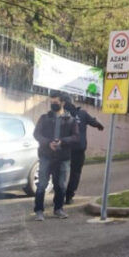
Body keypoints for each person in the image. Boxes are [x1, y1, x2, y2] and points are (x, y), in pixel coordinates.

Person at [32, 91, 79, 221]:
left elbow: (76, 137)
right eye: (51, 102)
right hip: (46, 156)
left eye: (56, 102)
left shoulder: (71, 120)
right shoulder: (44, 118)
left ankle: (58, 209)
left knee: (61, 185)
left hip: (63, 157)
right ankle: (39, 211)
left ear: (63, 102)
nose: (53, 104)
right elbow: (36, 134)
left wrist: (62, 141)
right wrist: (48, 143)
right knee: (42, 184)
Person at [61, 95, 104, 205]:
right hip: (78, 149)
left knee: (60, 172)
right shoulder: (82, 114)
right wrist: (99, 125)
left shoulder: (60, 114)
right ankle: (69, 197)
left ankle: (59, 196)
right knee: (75, 173)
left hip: (64, 148)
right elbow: (94, 122)